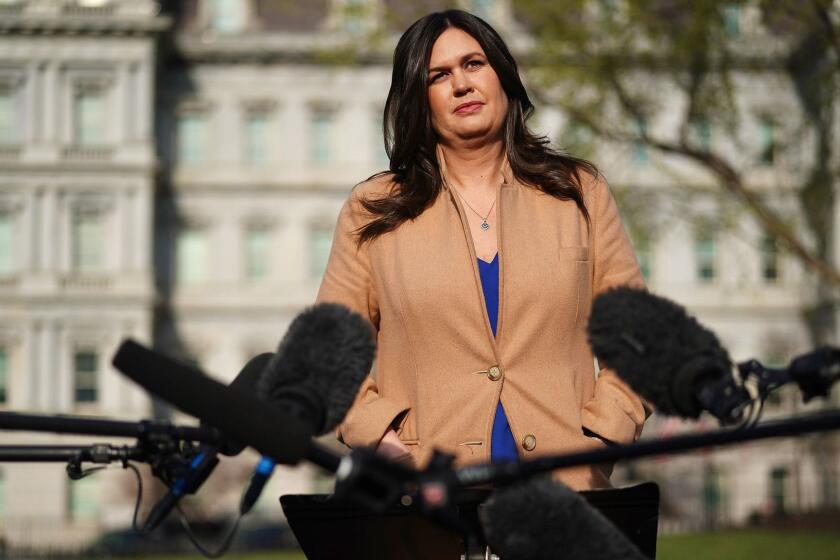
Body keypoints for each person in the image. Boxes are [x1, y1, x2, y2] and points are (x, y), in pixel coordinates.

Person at [316, 9, 647, 490]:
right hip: (431, 497)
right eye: (439, 75)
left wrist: (600, 441)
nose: (462, 85)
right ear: (418, 98)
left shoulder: (579, 192)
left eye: (474, 64)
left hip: (565, 494)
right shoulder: (372, 209)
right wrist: (383, 441)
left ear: (503, 75)